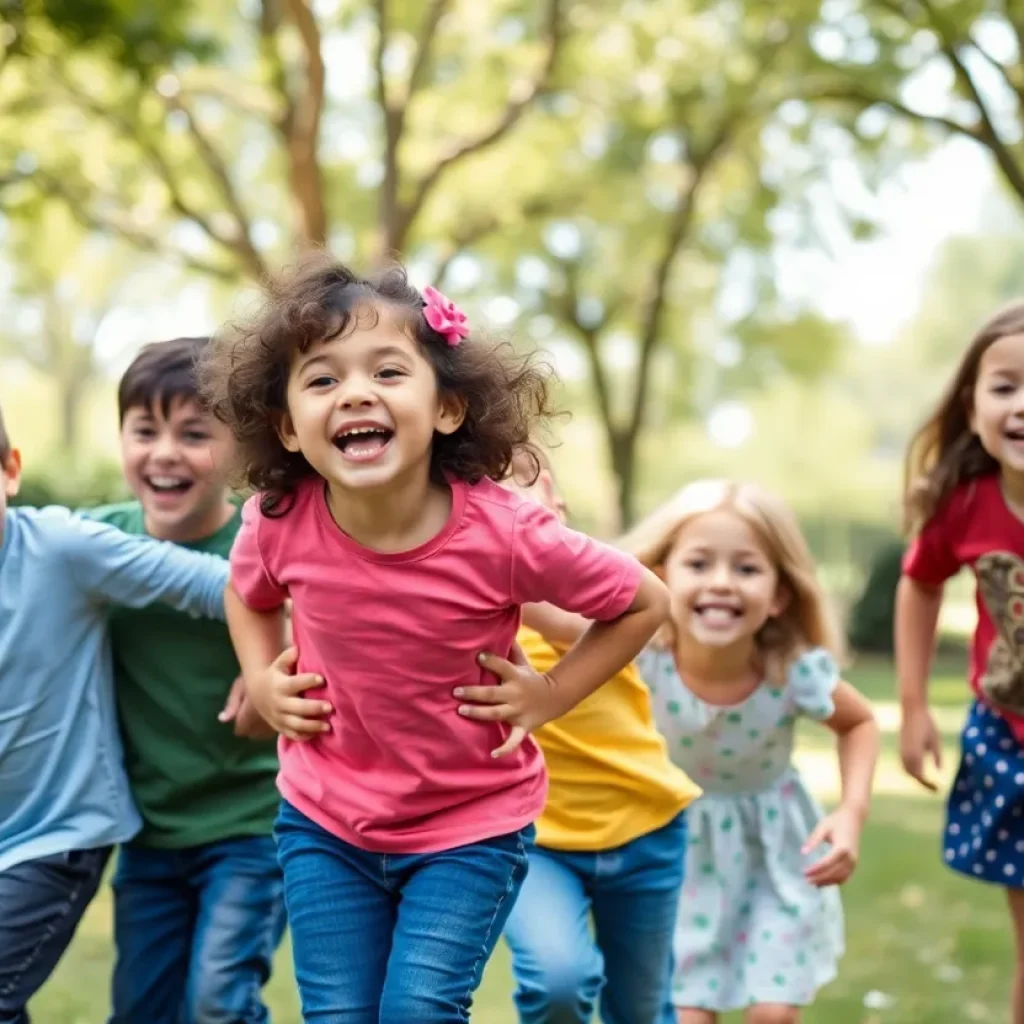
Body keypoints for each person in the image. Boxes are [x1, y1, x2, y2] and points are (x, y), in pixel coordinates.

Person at [196, 255, 669, 1024]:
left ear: (447, 408)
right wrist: (263, 679)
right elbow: (246, 596)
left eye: (387, 371)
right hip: (324, 820)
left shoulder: (508, 533)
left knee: (418, 1011)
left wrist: (549, 694)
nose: (354, 392)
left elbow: (644, 601)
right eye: (321, 380)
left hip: (469, 827)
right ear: (286, 425)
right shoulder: (278, 522)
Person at [0, 401, 230, 1024]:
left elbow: (225, 585)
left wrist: (269, 668)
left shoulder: (58, 548)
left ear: (10, 471)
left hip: (53, 834)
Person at [624, 479, 879, 1024]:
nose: (722, 584)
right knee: (687, 1015)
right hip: (675, 856)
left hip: (775, 856)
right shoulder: (641, 662)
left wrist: (851, 813)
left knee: (773, 1014)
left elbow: (858, 723)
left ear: (779, 594)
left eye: (746, 568)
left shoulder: (793, 669)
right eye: (699, 564)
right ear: (661, 575)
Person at [86, 338, 285, 1024]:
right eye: (145, 430)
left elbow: (346, 615)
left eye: (194, 434)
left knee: (217, 1005)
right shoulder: (96, 544)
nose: (164, 452)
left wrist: (277, 663)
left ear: (240, 450)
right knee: (142, 1011)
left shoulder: (268, 548)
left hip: (253, 824)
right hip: (149, 833)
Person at [500, 447, 702, 1024]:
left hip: (645, 831)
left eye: (508, 488)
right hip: (535, 845)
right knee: (557, 982)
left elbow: (578, 626)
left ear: (555, 510)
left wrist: (508, 575)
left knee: (640, 1012)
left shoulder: (589, 586)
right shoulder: (460, 609)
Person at [896, 300, 1024, 1023]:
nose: (1023, 405)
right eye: (1004, 386)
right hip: (1011, 738)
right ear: (972, 403)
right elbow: (919, 582)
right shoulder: (965, 506)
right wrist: (912, 706)